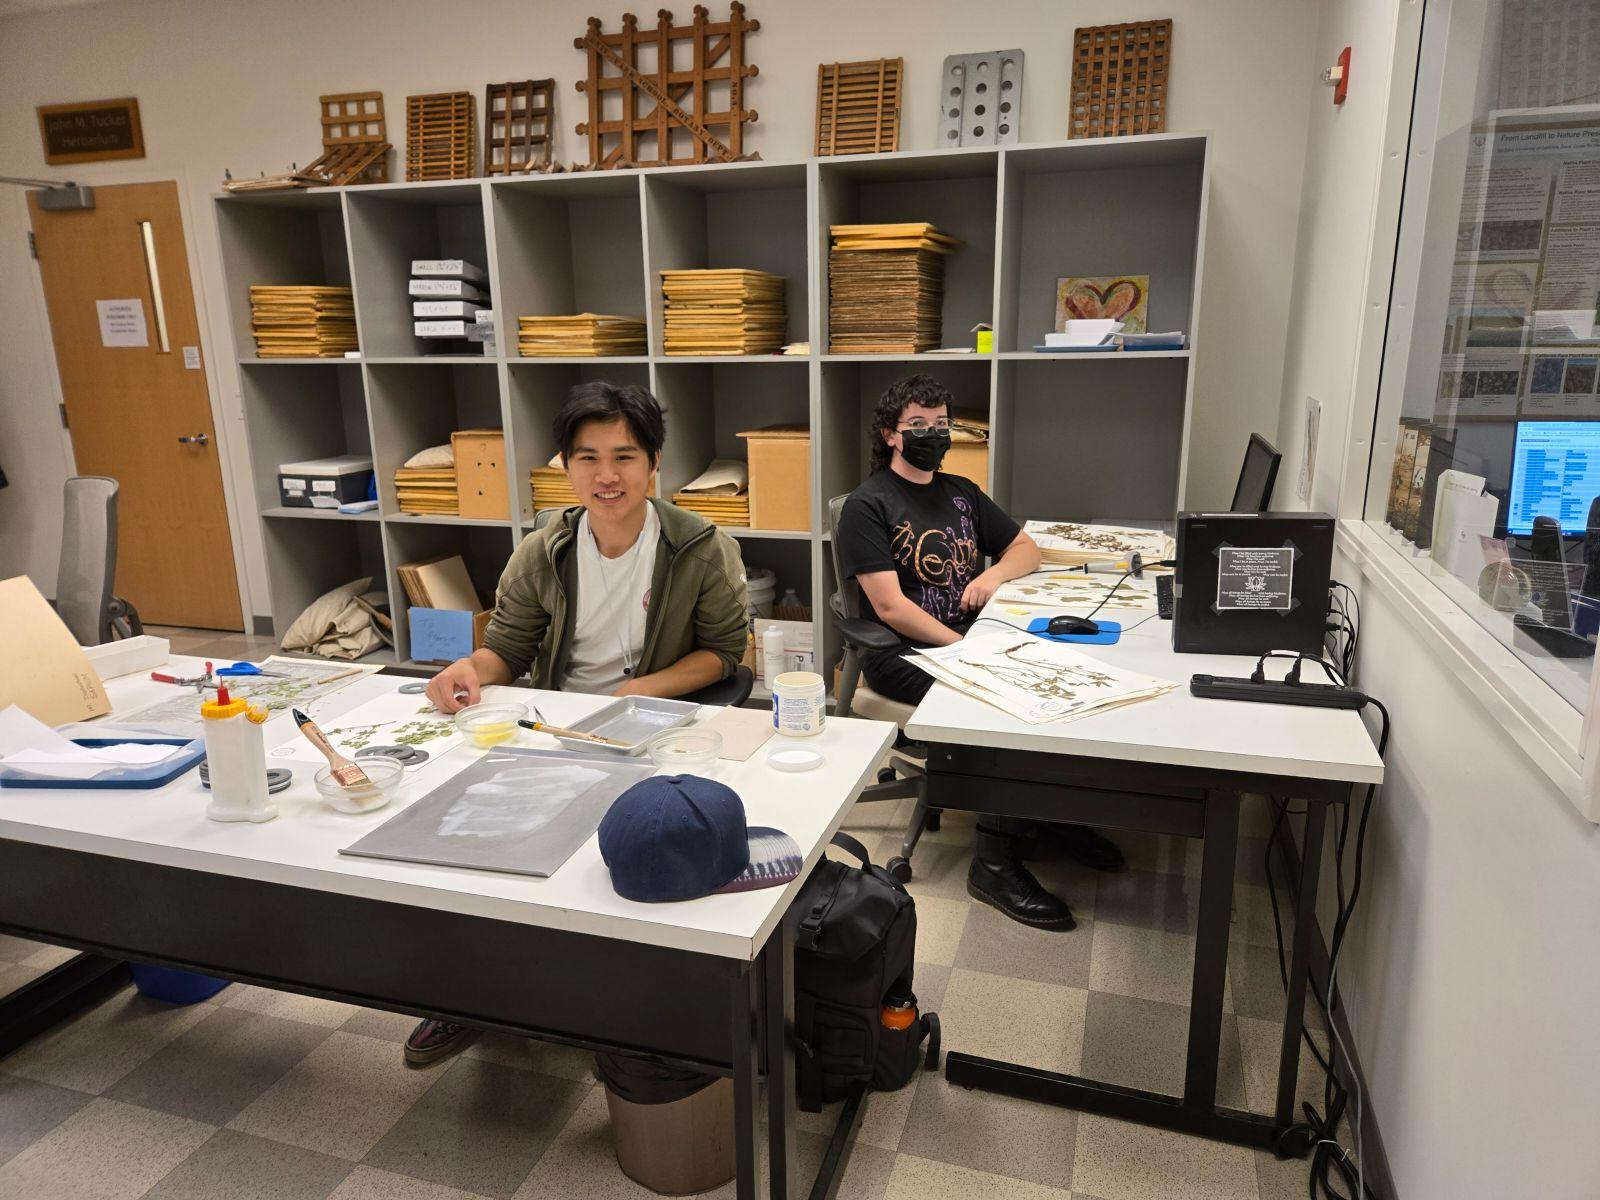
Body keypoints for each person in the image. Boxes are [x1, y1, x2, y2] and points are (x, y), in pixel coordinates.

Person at [405, 380, 750, 1065]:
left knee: (640, 859)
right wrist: (471, 670)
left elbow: (724, 654)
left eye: (624, 456)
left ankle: (630, 1010)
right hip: (557, 726)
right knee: (474, 842)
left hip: (655, 725)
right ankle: (470, 996)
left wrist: (639, 690)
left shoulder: (700, 545)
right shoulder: (546, 548)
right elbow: (507, 647)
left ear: (654, 464)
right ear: (564, 466)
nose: (606, 475)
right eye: (587, 457)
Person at [836, 374, 1124, 931]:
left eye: (941, 425)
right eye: (917, 426)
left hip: (972, 635)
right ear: (890, 435)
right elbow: (891, 609)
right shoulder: (867, 506)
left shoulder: (960, 491)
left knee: (1061, 673)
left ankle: (1043, 816)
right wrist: (967, 651)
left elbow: (1026, 548)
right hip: (905, 651)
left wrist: (991, 577)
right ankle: (993, 862)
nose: (931, 435)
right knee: (1001, 703)